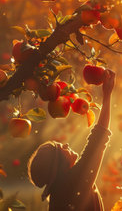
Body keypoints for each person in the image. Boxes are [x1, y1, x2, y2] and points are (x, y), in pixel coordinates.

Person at [27, 69, 115, 211]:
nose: (67, 144)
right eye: (62, 148)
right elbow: (98, 140)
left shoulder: (60, 191)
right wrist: (107, 94)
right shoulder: (73, 183)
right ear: (59, 163)